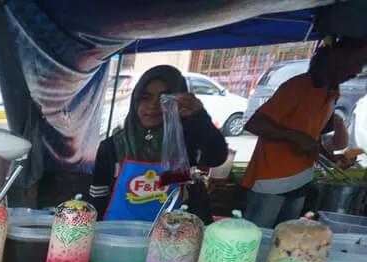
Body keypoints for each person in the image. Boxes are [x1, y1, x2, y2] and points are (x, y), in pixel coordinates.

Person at [243, 36, 367, 228]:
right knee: (256, 234)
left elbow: (312, 136)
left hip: (301, 179)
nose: (358, 71)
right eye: (358, 62)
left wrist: (330, 157)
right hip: (272, 180)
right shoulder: (299, 86)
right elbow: (255, 123)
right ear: (337, 58)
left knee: (287, 237)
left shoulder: (332, 92)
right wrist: (294, 137)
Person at [89, 65, 228, 221]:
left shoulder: (185, 143)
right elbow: (97, 199)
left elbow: (217, 157)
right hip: (118, 232)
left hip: (174, 232)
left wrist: (199, 116)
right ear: (135, 100)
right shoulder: (111, 147)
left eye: (164, 99)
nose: (153, 105)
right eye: (145, 97)